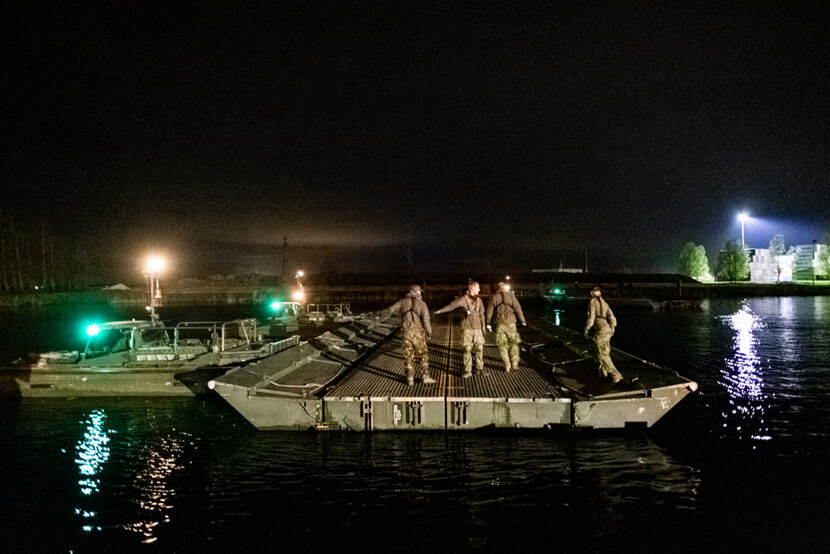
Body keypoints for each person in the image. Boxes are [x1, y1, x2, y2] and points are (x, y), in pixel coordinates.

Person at [384, 284, 435, 386]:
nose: (420, 293)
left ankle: (410, 378)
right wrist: (429, 332)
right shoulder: (422, 304)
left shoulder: (402, 302)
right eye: (420, 291)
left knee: (408, 356)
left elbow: (391, 310)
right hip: (418, 333)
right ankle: (425, 376)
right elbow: (426, 321)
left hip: (406, 333)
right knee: (423, 355)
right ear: (417, 292)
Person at [434, 281, 487, 378]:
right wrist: (439, 311)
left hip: (478, 329)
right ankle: (468, 371)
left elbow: (482, 314)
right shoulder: (463, 299)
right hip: (467, 329)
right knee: (467, 349)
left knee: (479, 349)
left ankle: (479, 369)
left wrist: (484, 326)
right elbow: (451, 306)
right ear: (472, 289)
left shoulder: (479, 300)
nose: (479, 289)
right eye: (477, 288)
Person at [583, 286, 623, 383]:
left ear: (592, 293)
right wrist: (612, 328)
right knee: (605, 352)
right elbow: (612, 317)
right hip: (607, 330)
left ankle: (615, 374)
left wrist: (586, 329)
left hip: (601, 331)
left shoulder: (592, 302)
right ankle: (603, 374)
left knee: (601, 354)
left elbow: (591, 318)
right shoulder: (604, 303)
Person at [486, 282, 526, 372]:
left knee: (502, 345)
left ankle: (507, 365)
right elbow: (518, 309)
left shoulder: (494, 297)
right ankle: (514, 365)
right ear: (505, 288)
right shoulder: (511, 296)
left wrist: (488, 323)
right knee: (514, 344)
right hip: (511, 324)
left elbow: (489, 312)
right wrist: (523, 321)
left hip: (499, 324)